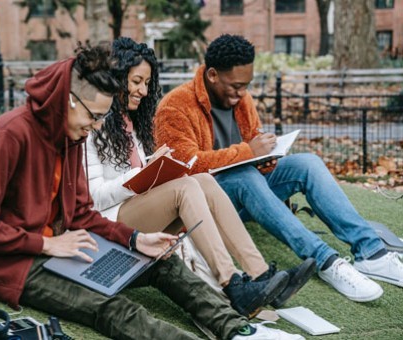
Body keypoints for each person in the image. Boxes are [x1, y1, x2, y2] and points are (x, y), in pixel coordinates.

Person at [0, 42, 303, 340]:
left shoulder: (70, 135)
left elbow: (81, 215)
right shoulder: (9, 136)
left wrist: (136, 239)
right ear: (70, 100)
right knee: (110, 307)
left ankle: (239, 330)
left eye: (100, 120)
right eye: (92, 117)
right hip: (15, 263)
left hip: (67, 245)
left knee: (161, 262)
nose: (94, 128)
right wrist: (47, 244)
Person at [154, 34, 403, 302]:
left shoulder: (242, 98)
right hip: (207, 203)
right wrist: (248, 153)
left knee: (307, 163)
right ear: (213, 75)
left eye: (246, 86)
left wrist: (265, 158)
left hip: (249, 187)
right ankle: (327, 261)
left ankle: (371, 253)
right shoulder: (175, 106)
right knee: (243, 175)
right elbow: (183, 168)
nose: (241, 94)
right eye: (235, 86)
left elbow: (253, 142)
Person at [85, 37, 315, 318]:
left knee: (203, 180)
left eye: (146, 83)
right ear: (116, 77)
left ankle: (259, 274)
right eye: (136, 82)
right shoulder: (91, 123)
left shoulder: (133, 122)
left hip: (137, 207)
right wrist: (144, 173)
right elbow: (94, 197)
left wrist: (153, 167)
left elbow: (134, 173)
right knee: (185, 187)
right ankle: (231, 283)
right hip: (111, 222)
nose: (143, 91)